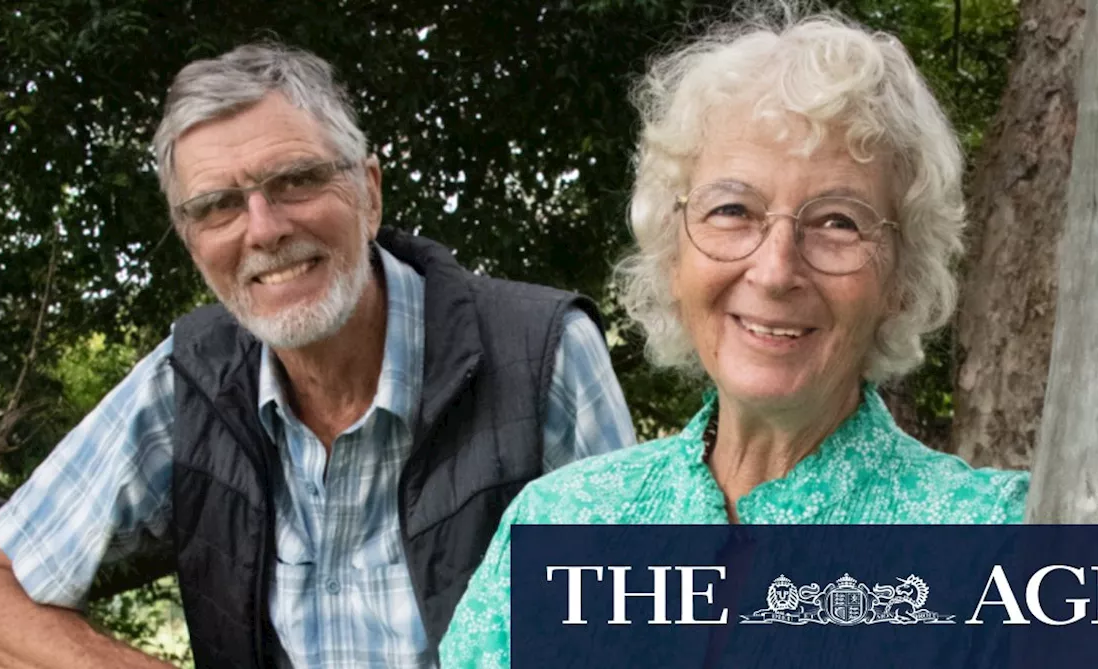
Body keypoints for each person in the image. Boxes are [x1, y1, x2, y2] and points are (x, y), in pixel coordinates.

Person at [0, 43, 635, 669]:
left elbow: (647, 629)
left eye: (296, 180)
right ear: (191, 240)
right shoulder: (188, 380)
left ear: (369, 192)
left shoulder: (541, 353)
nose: (263, 229)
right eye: (218, 206)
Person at [438, 9, 1029, 666]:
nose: (775, 270)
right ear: (672, 252)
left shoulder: (999, 540)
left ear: (900, 276)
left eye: (837, 221)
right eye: (732, 210)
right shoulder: (560, 520)